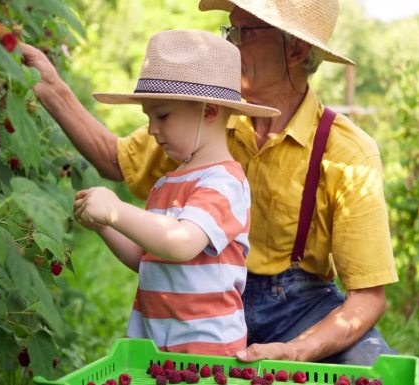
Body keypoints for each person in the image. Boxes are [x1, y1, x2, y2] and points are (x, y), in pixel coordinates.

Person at [22, 0, 398, 366]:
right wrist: (51, 87)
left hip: (301, 310)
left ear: (296, 48)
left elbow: (368, 298)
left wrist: (298, 351)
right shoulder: (200, 120)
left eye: (243, 32)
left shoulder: (346, 152)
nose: (229, 43)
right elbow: (115, 160)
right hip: (200, 301)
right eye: (228, 30)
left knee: (377, 370)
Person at [72, 29, 280, 356]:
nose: (152, 129)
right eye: (149, 117)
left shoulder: (225, 182)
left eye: (162, 115)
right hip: (153, 345)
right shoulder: (166, 183)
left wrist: (116, 210)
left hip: (205, 352)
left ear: (209, 110)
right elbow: (149, 259)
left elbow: (181, 243)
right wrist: (105, 227)